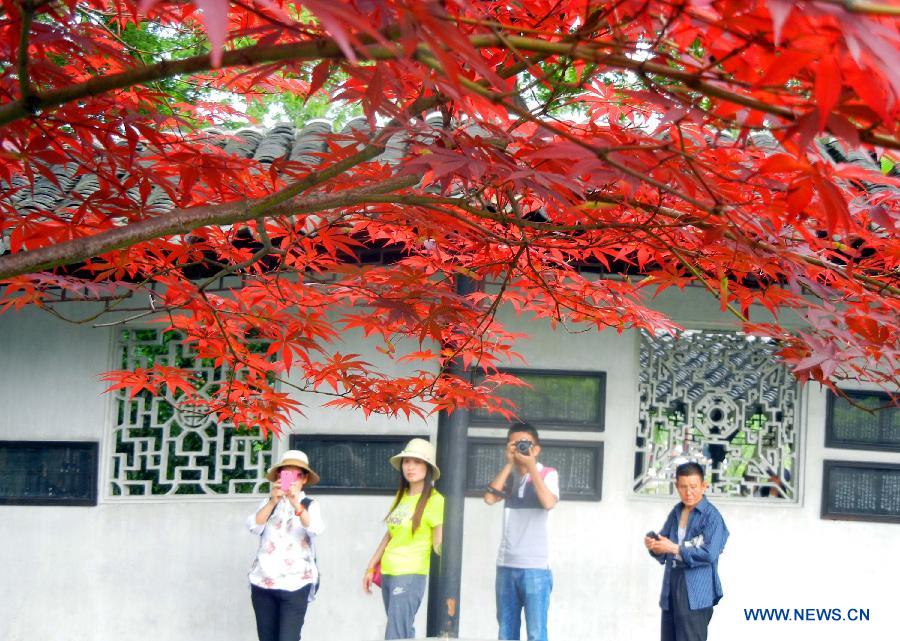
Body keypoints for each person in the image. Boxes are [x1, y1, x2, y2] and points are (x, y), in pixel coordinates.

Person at [483, 422, 559, 641]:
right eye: (516, 445)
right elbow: (489, 498)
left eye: (526, 445)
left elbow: (548, 502)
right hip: (506, 565)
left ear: (536, 449)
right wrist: (509, 464)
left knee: (536, 633)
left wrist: (532, 467)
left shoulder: (548, 474)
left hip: (536, 568)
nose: (522, 449)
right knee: (506, 632)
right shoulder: (509, 477)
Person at [363, 438, 444, 640]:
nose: (410, 467)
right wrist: (371, 566)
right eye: (407, 461)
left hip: (410, 574)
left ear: (427, 467)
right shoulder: (403, 496)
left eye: (417, 462)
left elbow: (439, 543)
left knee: (396, 634)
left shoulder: (436, 500)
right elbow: (390, 534)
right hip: (389, 572)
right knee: (403, 632)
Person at [645, 462, 729, 641]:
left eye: (693, 487)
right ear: (677, 487)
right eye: (683, 487)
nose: (688, 492)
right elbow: (664, 544)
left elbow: (709, 553)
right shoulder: (677, 511)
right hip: (672, 581)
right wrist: (654, 545)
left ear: (703, 486)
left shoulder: (712, 516)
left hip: (696, 588)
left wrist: (673, 548)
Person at [246, 450, 325, 641]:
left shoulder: (309, 504)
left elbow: (315, 528)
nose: (292, 480)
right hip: (263, 581)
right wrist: (273, 500)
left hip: (297, 582)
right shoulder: (268, 502)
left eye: (297, 474)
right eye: (286, 474)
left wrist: (296, 504)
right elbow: (253, 526)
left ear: (304, 479)